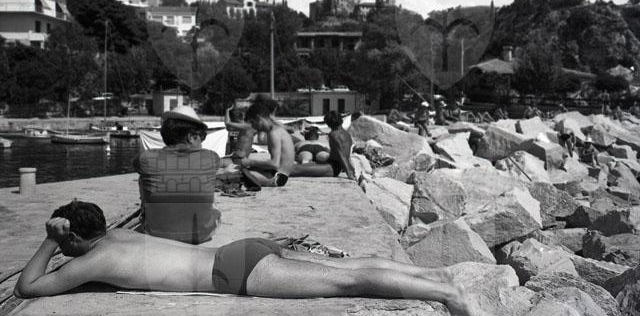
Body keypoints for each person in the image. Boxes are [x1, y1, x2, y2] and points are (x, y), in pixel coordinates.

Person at [14, 201, 472, 316]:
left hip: (233, 271)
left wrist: (51, 241)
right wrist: (67, 235)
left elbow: (27, 287)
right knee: (348, 268)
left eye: (68, 243)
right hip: (240, 251)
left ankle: (447, 294)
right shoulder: (116, 235)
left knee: (348, 282)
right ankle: (433, 274)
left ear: (76, 237)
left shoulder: (92, 260)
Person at [133, 105, 221, 244]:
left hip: (156, 235)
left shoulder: (145, 158)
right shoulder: (212, 158)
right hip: (201, 236)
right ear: (191, 137)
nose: (202, 142)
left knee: (143, 178)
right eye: (202, 137)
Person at [241, 100, 296, 187]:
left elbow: (274, 164)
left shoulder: (274, 133)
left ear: (258, 118)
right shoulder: (276, 129)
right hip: (278, 174)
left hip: (278, 177)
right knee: (238, 169)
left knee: (237, 174)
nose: (253, 127)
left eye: (253, 123)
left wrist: (250, 162)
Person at [324, 111, 356, 180]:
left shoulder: (333, 134)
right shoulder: (347, 134)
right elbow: (346, 154)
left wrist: (349, 173)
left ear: (329, 124)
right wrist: (350, 167)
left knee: (301, 169)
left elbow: (341, 155)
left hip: (334, 166)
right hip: (338, 165)